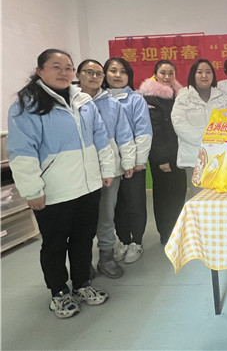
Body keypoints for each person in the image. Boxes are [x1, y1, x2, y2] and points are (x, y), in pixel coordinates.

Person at [7, 49, 113, 319]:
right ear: (40, 71)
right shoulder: (26, 106)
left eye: (68, 67)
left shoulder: (83, 101)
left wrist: (106, 169)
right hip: (53, 191)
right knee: (55, 245)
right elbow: (22, 152)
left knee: (83, 239)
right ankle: (59, 292)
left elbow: (100, 137)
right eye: (56, 66)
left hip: (87, 186)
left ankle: (82, 284)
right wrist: (32, 191)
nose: (64, 72)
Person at [76, 60, 136, 279]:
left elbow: (124, 134)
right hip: (79, 171)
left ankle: (106, 257)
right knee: (81, 218)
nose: (94, 77)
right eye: (88, 72)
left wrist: (127, 162)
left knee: (107, 215)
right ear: (78, 74)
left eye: (98, 73)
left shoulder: (112, 104)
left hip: (110, 170)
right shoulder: (69, 103)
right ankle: (82, 261)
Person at [103, 57, 152, 264]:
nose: (117, 75)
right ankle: (123, 240)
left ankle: (136, 242)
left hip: (133, 163)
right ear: (105, 74)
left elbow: (143, 131)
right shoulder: (98, 100)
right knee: (116, 206)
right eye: (113, 70)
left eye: (123, 71)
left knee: (135, 203)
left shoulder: (136, 99)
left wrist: (139, 161)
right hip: (109, 164)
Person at [138, 60, 187, 245]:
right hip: (162, 156)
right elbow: (153, 130)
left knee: (179, 193)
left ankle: (178, 230)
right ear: (156, 75)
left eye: (170, 73)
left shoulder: (179, 95)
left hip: (179, 154)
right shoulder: (149, 97)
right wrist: (161, 159)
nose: (167, 77)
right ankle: (166, 234)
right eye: (163, 73)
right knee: (164, 197)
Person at [172, 59, 227, 198]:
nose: (204, 76)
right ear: (193, 75)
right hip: (194, 157)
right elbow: (180, 124)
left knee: (220, 197)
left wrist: (217, 144)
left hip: (219, 157)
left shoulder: (223, 97)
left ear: (213, 75)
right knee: (200, 198)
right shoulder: (183, 97)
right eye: (199, 72)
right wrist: (206, 141)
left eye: (208, 72)